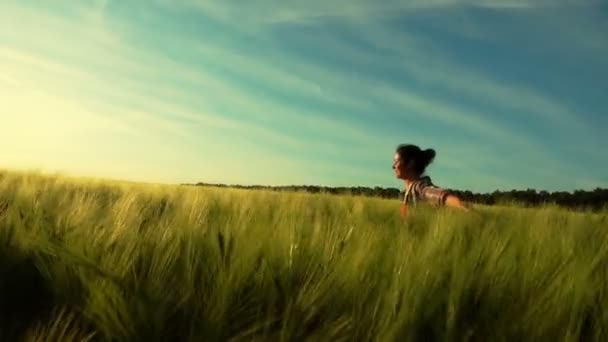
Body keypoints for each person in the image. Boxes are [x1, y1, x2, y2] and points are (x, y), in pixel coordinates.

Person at [392, 144, 472, 217]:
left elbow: (440, 195)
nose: (393, 166)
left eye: (396, 161)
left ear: (410, 163)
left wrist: (462, 206)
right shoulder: (406, 192)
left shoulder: (419, 187)